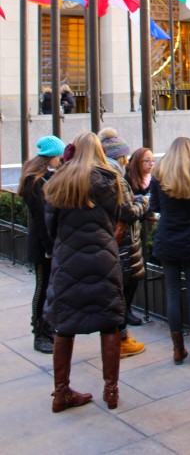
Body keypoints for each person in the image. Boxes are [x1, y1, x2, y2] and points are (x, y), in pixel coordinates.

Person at [43, 131, 125, 412]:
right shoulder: (110, 180)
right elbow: (115, 217)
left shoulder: (59, 179)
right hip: (102, 256)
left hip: (68, 258)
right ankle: (111, 391)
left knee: (63, 326)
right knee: (109, 322)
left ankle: (60, 392)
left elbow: (50, 225)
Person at [149, 137, 190, 365]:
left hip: (168, 238)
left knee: (173, 294)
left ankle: (178, 350)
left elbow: (154, 207)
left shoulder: (160, 174)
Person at [99, 129, 150, 342]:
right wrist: (143, 202)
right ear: (119, 156)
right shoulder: (116, 177)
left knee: (120, 289)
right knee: (122, 288)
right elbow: (127, 211)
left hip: (112, 240)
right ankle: (120, 338)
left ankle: (120, 331)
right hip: (123, 241)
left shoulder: (103, 173)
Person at [17, 134, 66, 354]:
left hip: (49, 242)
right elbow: (41, 216)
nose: (61, 159)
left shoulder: (44, 177)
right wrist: (49, 247)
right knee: (43, 287)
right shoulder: (34, 180)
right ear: (51, 156)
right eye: (59, 155)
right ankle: (40, 332)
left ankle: (47, 328)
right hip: (42, 244)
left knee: (49, 288)